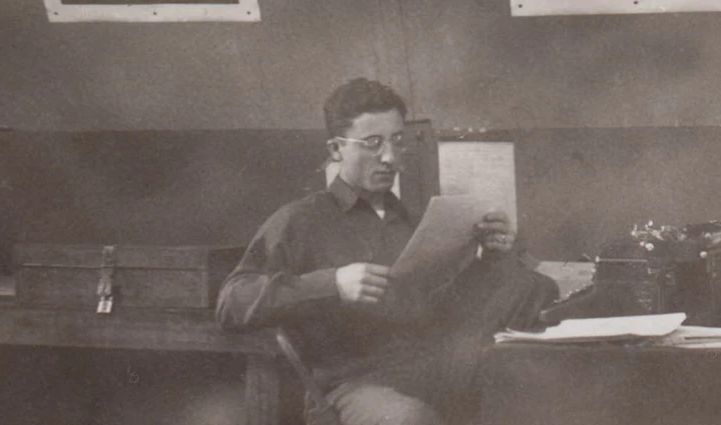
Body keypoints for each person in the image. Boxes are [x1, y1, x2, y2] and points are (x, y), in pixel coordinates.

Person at [217, 78, 558, 425]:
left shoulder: (415, 221)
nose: (389, 158)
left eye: (397, 141)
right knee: (410, 419)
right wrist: (332, 284)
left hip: (433, 372)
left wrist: (491, 255)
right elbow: (232, 301)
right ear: (336, 149)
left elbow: (449, 306)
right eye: (372, 143)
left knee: (530, 354)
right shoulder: (300, 220)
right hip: (354, 385)